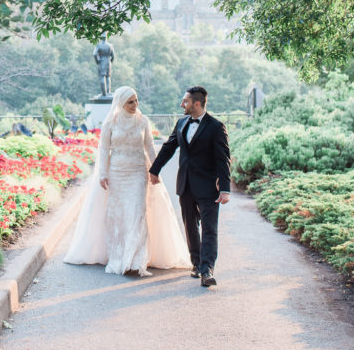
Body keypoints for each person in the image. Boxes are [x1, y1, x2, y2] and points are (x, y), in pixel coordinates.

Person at [64, 86, 191, 275]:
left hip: (139, 172)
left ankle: (136, 259)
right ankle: (120, 255)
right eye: (130, 102)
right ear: (121, 103)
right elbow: (104, 149)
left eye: (136, 100)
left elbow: (149, 147)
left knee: (137, 212)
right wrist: (103, 174)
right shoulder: (111, 123)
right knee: (121, 215)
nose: (135, 105)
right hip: (117, 173)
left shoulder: (143, 121)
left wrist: (155, 170)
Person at [150, 86, 231, 287]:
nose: (181, 104)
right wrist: (154, 170)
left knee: (210, 229)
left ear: (197, 103)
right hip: (185, 185)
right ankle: (196, 263)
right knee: (190, 226)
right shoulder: (181, 122)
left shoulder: (215, 126)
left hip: (208, 187)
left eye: (185, 101)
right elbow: (169, 147)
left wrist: (225, 188)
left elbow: (223, 159)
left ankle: (207, 270)